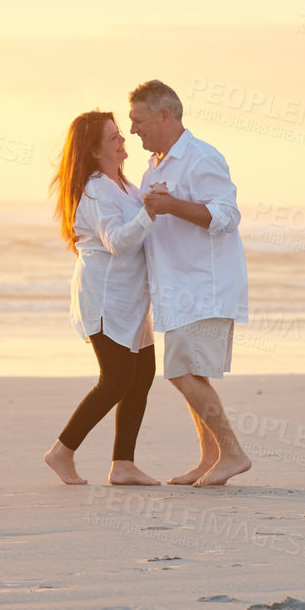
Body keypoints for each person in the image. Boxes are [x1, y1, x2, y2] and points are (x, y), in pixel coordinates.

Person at [130, 80, 252, 487]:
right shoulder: (156, 166)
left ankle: (232, 453)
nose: (133, 131)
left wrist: (172, 206)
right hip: (177, 291)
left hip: (205, 287)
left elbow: (227, 215)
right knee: (190, 373)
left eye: (139, 120)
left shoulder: (201, 157)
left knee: (182, 372)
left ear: (165, 115)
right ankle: (210, 459)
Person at [43, 110, 160, 486]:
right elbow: (118, 242)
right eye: (113, 137)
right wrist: (151, 212)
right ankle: (62, 452)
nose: (122, 139)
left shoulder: (124, 185)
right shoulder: (96, 189)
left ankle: (123, 464)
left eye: (119, 133)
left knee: (142, 376)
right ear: (94, 151)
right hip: (106, 297)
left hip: (133, 299)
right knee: (116, 379)